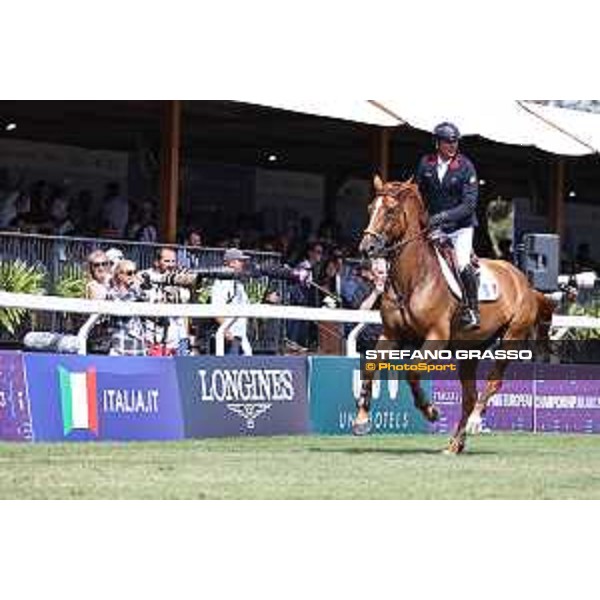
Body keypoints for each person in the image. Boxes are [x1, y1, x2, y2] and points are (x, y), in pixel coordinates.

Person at [416, 121, 480, 330]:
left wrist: (442, 216)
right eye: (447, 142)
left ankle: (472, 310)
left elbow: (469, 205)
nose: (452, 145)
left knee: (461, 263)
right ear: (437, 143)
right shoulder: (426, 164)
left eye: (455, 141)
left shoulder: (465, 166)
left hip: (461, 227)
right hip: (434, 226)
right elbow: (420, 196)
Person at [140, 246, 191, 356]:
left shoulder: (180, 276)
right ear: (156, 262)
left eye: (173, 261)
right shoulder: (144, 276)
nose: (171, 264)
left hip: (179, 337)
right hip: (154, 339)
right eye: (167, 261)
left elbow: (185, 298)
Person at [210, 248, 252, 355]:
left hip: (241, 336)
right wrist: (226, 330)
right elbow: (216, 309)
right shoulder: (221, 283)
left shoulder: (238, 283)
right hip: (229, 338)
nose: (243, 264)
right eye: (240, 261)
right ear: (232, 262)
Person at [105, 260, 147, 356]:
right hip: (120, 348)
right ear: (119, 275)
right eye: (129, 273)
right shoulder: (111, 293)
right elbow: (123, 309)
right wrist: (136, 289)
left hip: (138, 348)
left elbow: (149, 299)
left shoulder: (137, 292)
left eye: (135, 272)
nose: (133, 276)